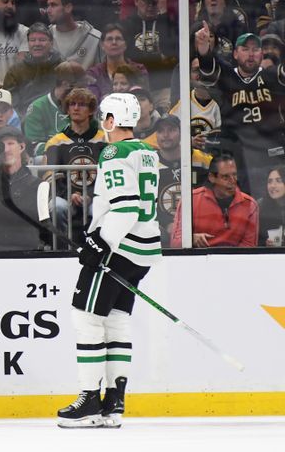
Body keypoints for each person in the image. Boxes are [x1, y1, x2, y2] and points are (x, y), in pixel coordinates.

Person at [57, 92, 161, 429]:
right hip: (143, 249)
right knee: (115, 320)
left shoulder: (115, 152)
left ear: (112, 120)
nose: (103, 122)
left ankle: (89, 398)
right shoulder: (147, 151)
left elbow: (126, 206)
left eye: (105, 116)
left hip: (119, 248)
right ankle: (113, 404)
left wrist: (99, 242)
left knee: (86, 318)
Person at [195, 25, 285, 199]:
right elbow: (208, 67)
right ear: (235, 54)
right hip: (238, 155)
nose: (251, 54)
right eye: (245, 49)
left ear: (261, 54)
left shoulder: (273, 77)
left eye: (255, 49)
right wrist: (204, 46)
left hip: (271, 154)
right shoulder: (228, 76)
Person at [42, 88, 108, 241]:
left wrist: (90, 195)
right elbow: (51, 177)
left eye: (82, 104)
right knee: (57, 207)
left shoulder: (104, 140)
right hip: (65, 196)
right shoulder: (55, 142)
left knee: (103, 210)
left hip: (96, 197)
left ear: (91, 110)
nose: (76, 108)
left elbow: (107, 175)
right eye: (72, 104)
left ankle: (98, 251)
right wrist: (69, 195)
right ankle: (63, 248)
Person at [170, 154, 259, 248]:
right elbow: (175, 243)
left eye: (234, 175)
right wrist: (191, 239)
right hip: (199, 259)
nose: (233, 181)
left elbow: (249, 247)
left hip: (234, 260)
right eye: (225, 177)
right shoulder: (190, 200)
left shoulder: (250, 204)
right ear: (212, 177)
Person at [154, 115, 213, 247]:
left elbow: (211, 198)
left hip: (199, 226)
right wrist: (167, 224)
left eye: (171, 130)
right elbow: (146, 204)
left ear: (182, 132)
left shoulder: (203, 160)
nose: (165, 135)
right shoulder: (149, 163)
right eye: (161, 131)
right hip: (162, 230)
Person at [24, 61, 88, 156]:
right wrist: (65, 150)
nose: (84, 91)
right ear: (66, 84)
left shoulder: (85, 105)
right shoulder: (37, 108)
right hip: (51, 164)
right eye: (80, 87)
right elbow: (34, 147)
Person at [3, 22, 63, 116]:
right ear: (28, 43)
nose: (37, 44)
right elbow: (12, 108)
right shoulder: (15, 72)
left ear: (51, 43)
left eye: (42, 40)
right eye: (32, 40)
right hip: (25, 123)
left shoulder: (62, 68)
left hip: (57, 121)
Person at [86, 24, 149, 101]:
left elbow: (142, 98)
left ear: (125, 45)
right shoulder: (93, 73)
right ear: (102, 45)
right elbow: (93, 102)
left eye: (118, 39)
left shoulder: (139, 69)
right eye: (109, 39)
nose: (114, 42)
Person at [46, 0, 103, 70]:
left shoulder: (94, 38)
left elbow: (102, 76)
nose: (48, 10)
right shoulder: (44, 37)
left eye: (53, 5)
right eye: (48, 6)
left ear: (68, 8)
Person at [257, 166, 285, 246]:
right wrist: (264, 244)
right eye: (269, 182)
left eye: (279, 181)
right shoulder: (259, 206)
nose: (273, 186)